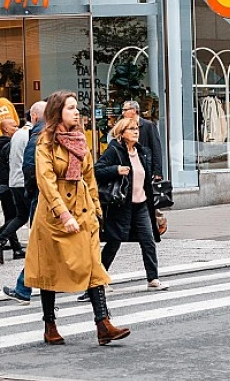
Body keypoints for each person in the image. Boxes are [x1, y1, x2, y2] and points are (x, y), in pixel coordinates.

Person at [25, 90, 130, 346]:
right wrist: (62, 213)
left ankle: (103, 323)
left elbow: (89, 176)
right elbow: (46, 182)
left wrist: (96, 209)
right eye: (70, 108)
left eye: (76, 108)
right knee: (49, 268)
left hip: (82, 210)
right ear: (58, 111)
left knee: (93, 265)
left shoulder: (80, 139)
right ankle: (50, 324)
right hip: (53, 214)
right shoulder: (45, 142)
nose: (76, 112)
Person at [94, 117, 165, 294]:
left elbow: (144, 181)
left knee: (148, 241)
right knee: (114, 242)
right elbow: (96, 170)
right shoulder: (114, 151)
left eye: (136, 129)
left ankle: (153, 278)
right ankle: (98, 281)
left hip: (141, 205)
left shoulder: (141, 152)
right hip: (121, 205)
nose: (136, 132)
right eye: (131, 129)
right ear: (121, 133)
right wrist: (116, 170)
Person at [2, 101, 46, 304]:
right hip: (40, 192)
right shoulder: (39, 134)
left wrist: (32, 193)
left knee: (40, 245)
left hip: (34, 191)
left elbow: (29, 167)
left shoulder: (33, 135)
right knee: (43, 246)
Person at [0, 117, 23, 262]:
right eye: (14, 126)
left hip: (1, 185)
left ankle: (16, 248)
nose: (17, 128)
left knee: (11, 217)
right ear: (6, 129)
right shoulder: (9, 145)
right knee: (17, 216)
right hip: (9, 185)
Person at [121, 100, 163, 181]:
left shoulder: (148, 125)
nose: (123, 113)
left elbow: (156, 148)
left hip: (145, 167)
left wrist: (157, 172)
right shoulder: (122, 126)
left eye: (125, 110)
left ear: (134, 110)